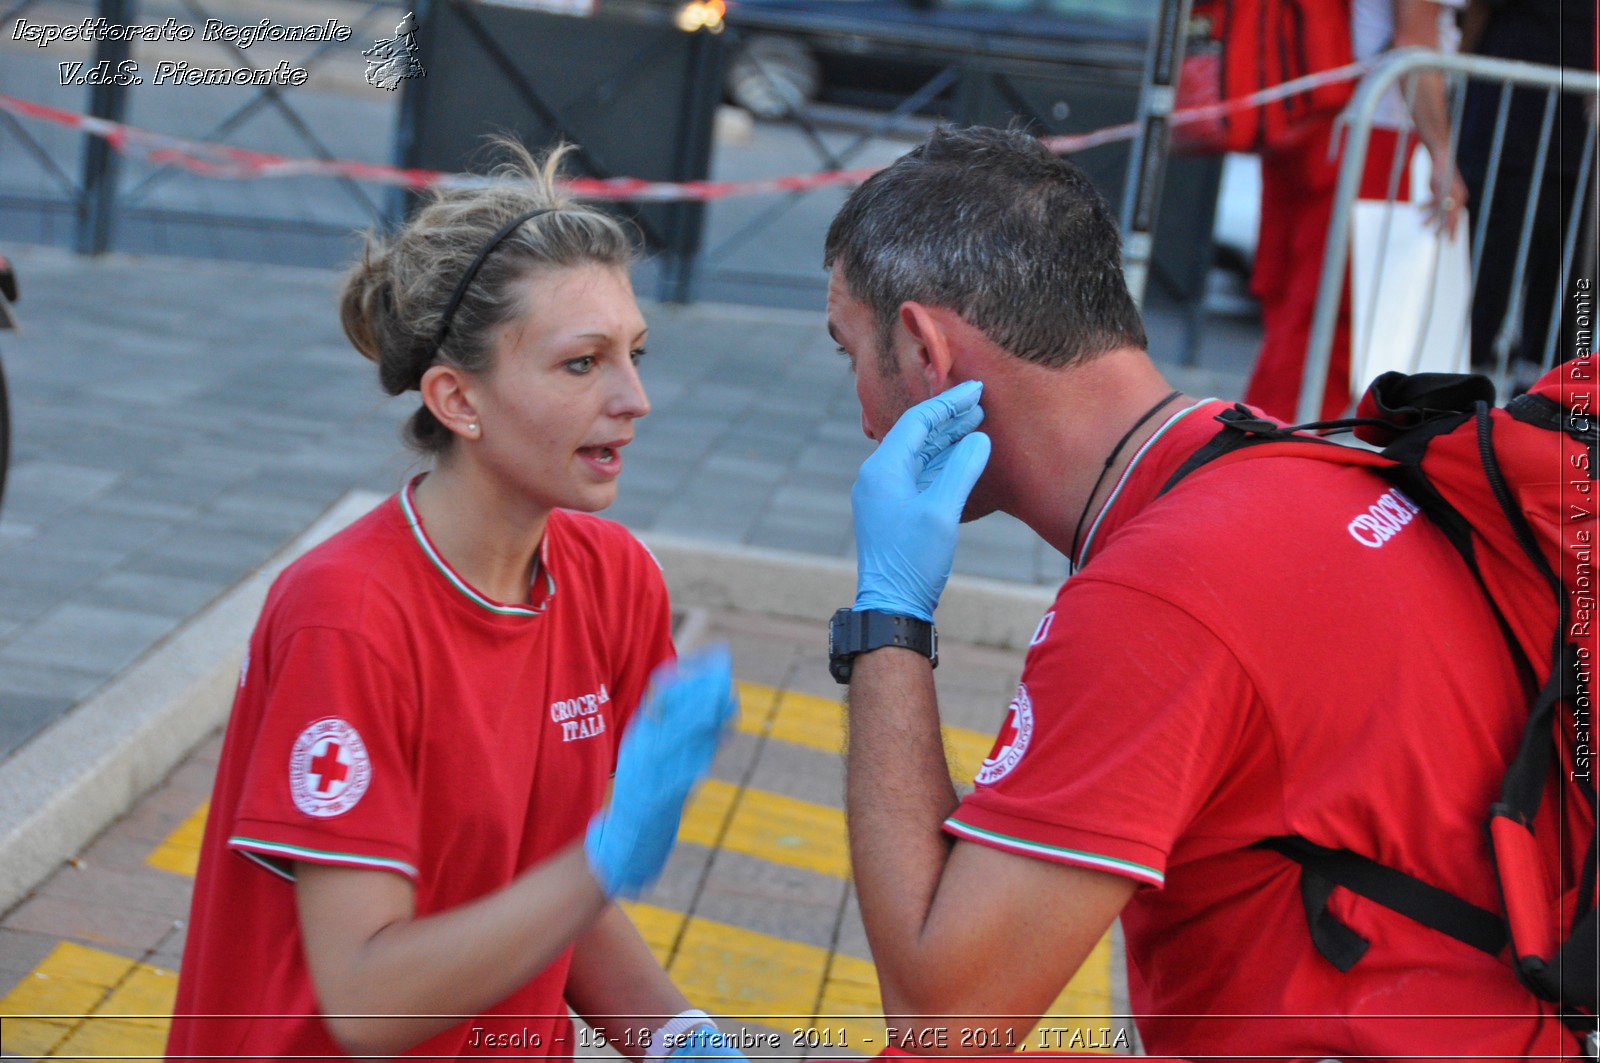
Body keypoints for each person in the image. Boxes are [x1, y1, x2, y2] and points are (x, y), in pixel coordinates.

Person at [821, 126, 1581, 1058]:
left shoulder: (1160, 598)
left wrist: (888, 616)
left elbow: (948, 1021)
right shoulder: (1292, 457)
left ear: (924, 350)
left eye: (848, 354)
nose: (863, 416)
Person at [166, 143, 744, 1062]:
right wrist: (602, 859)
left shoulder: (613, 577)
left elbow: (541, 893)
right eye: (581, 364)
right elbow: (365, 1001)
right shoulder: (348, 615)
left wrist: (680, 1040)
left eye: (634, 354)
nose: (635, 398)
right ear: (457, 398)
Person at [1244, 0, 1468, 421]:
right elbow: (1414, 38)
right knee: (1335, 323)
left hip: (1307, 120)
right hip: (1373, 130)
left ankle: (1259, 444)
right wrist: (1441, 152)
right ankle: (1281, 455)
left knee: (1295, 316)